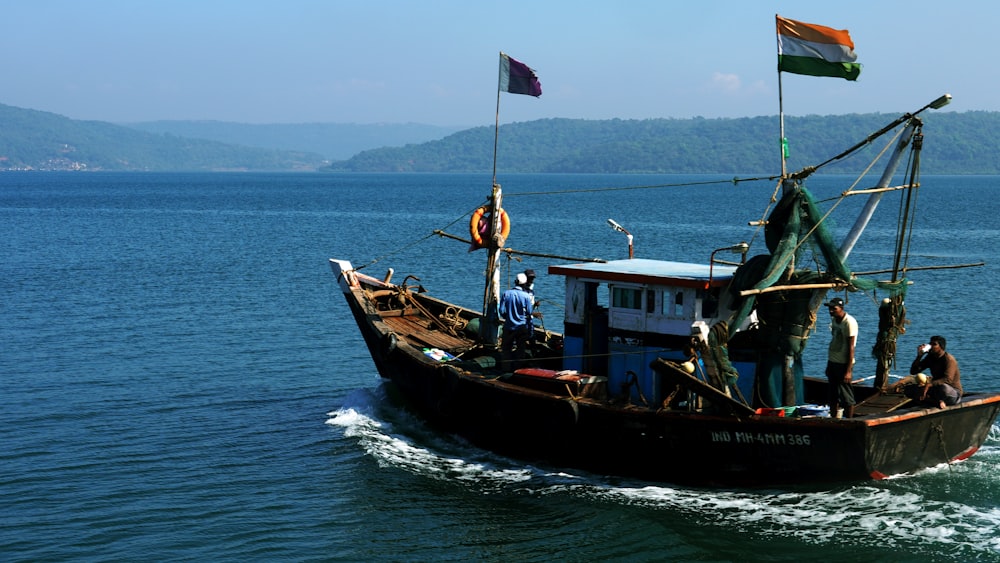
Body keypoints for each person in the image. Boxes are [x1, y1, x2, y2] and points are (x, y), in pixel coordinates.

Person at [906, 335, 963, 408]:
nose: (931, 346)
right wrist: (919, 356)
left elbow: (948, 379)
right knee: (909, 389)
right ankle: (936, 402)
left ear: (941, 347)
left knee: (943, 388)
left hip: (952, 392)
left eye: (934, 344)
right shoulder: (930, 357)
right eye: (930, 344)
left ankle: (933, 401)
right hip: (936, 388)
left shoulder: (948, 359)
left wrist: (929, 384)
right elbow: (913, 371)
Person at [825, 297, 858, 418]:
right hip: (833, 361)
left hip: (843, 364)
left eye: (834, 309)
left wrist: (848, 371)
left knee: (846, 396)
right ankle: (834, 419)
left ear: (841, 308)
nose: (831, 311)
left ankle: (849, 421)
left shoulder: (849, 322)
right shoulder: (834, 320)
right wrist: (829, 364)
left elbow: (851, 348)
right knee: (832, 395)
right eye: (830, 309)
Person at [499, 273, 534, 372]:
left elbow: (501, 311)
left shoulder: (506, 293)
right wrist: (530, 330)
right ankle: (517, 371)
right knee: (520, 350)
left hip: (509, 327)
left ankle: (505, 370)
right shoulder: (526, 296)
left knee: (506, 349)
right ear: (524, 284)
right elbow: (529, 313)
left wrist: (507, 317)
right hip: (521, 327)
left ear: (515, 282)